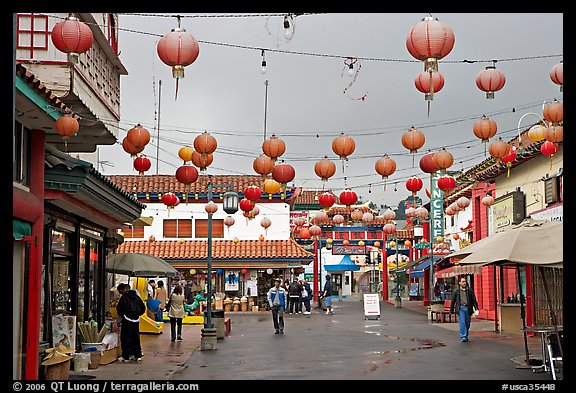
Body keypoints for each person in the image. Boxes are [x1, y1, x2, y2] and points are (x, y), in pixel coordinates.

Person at [116, 283, 146, 361]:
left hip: (127, 319)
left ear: (123, 289)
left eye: (120, 291)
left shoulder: (124, 298)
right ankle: (137, 354)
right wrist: (137, 314)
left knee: (126, 338)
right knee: (135, 337)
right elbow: (143, 307)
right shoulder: (137, 297)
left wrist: (123, 315)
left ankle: (126, 356)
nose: (120, 293)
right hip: (136, 320)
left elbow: (119, 309)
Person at [450, 276, 479, 342]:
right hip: (461, 308)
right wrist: (451, 310)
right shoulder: (456, 291)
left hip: (468, 308)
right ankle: (463, 336)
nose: (464, 283)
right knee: (462, 322)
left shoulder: (469, 290)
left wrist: (476, 308)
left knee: (467, 323)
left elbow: (473, 299)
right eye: (463, 282)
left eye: (465, 281)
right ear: (459, 283)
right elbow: (453, 301)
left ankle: (466, 334)